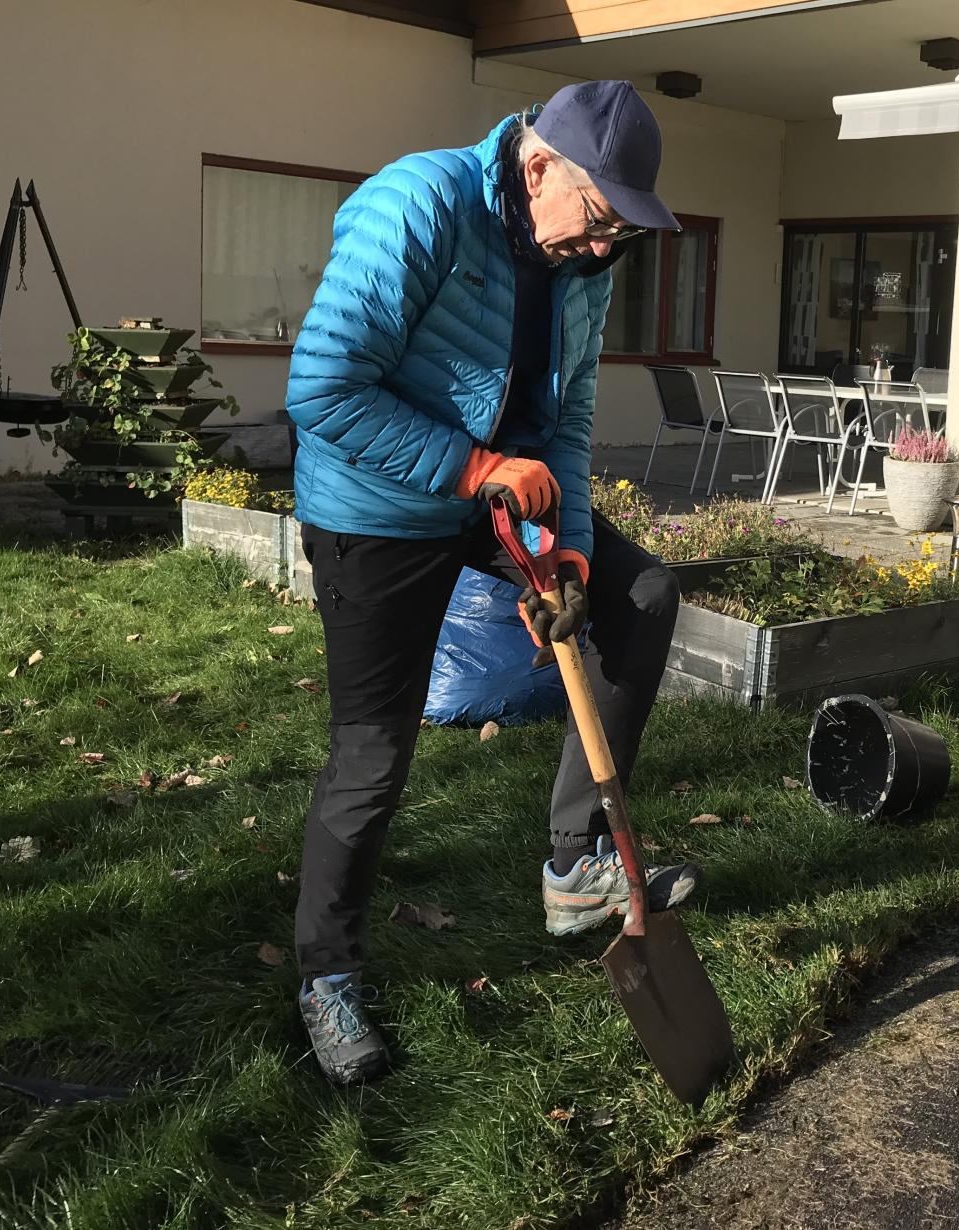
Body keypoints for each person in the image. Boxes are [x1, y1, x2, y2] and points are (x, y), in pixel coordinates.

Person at [285, 80, 702, 1085]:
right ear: (537, 165)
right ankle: (325, 977)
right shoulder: (419, 203)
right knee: (372, 756)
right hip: (376, 508)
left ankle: (572, 866)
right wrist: (475, 473)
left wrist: (569, 546)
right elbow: (321, 388)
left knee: (641, 600)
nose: (603, 248)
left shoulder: (579, 257)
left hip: (502, 488)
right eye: (599, 221)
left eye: (623, 235)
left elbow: (567, 412)